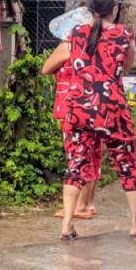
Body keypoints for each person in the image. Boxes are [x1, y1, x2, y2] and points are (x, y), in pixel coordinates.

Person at [42, 0, 136, 241]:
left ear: (90, 10)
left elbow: (58, 65)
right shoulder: (124, 34)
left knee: (76, 166)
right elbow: (126, 67)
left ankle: (67, 227)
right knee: (127, 164)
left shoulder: (75, 34)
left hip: (79, 108)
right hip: (112, 109)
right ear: (115, 10)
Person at [45, 39, 97, 220]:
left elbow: (45, 68)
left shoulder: (68, 46)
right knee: (92, 155)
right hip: (95, 106)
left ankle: (80, 206)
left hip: (72, 108)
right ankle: (88, 203)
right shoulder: (97, 45)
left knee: (77, 156)